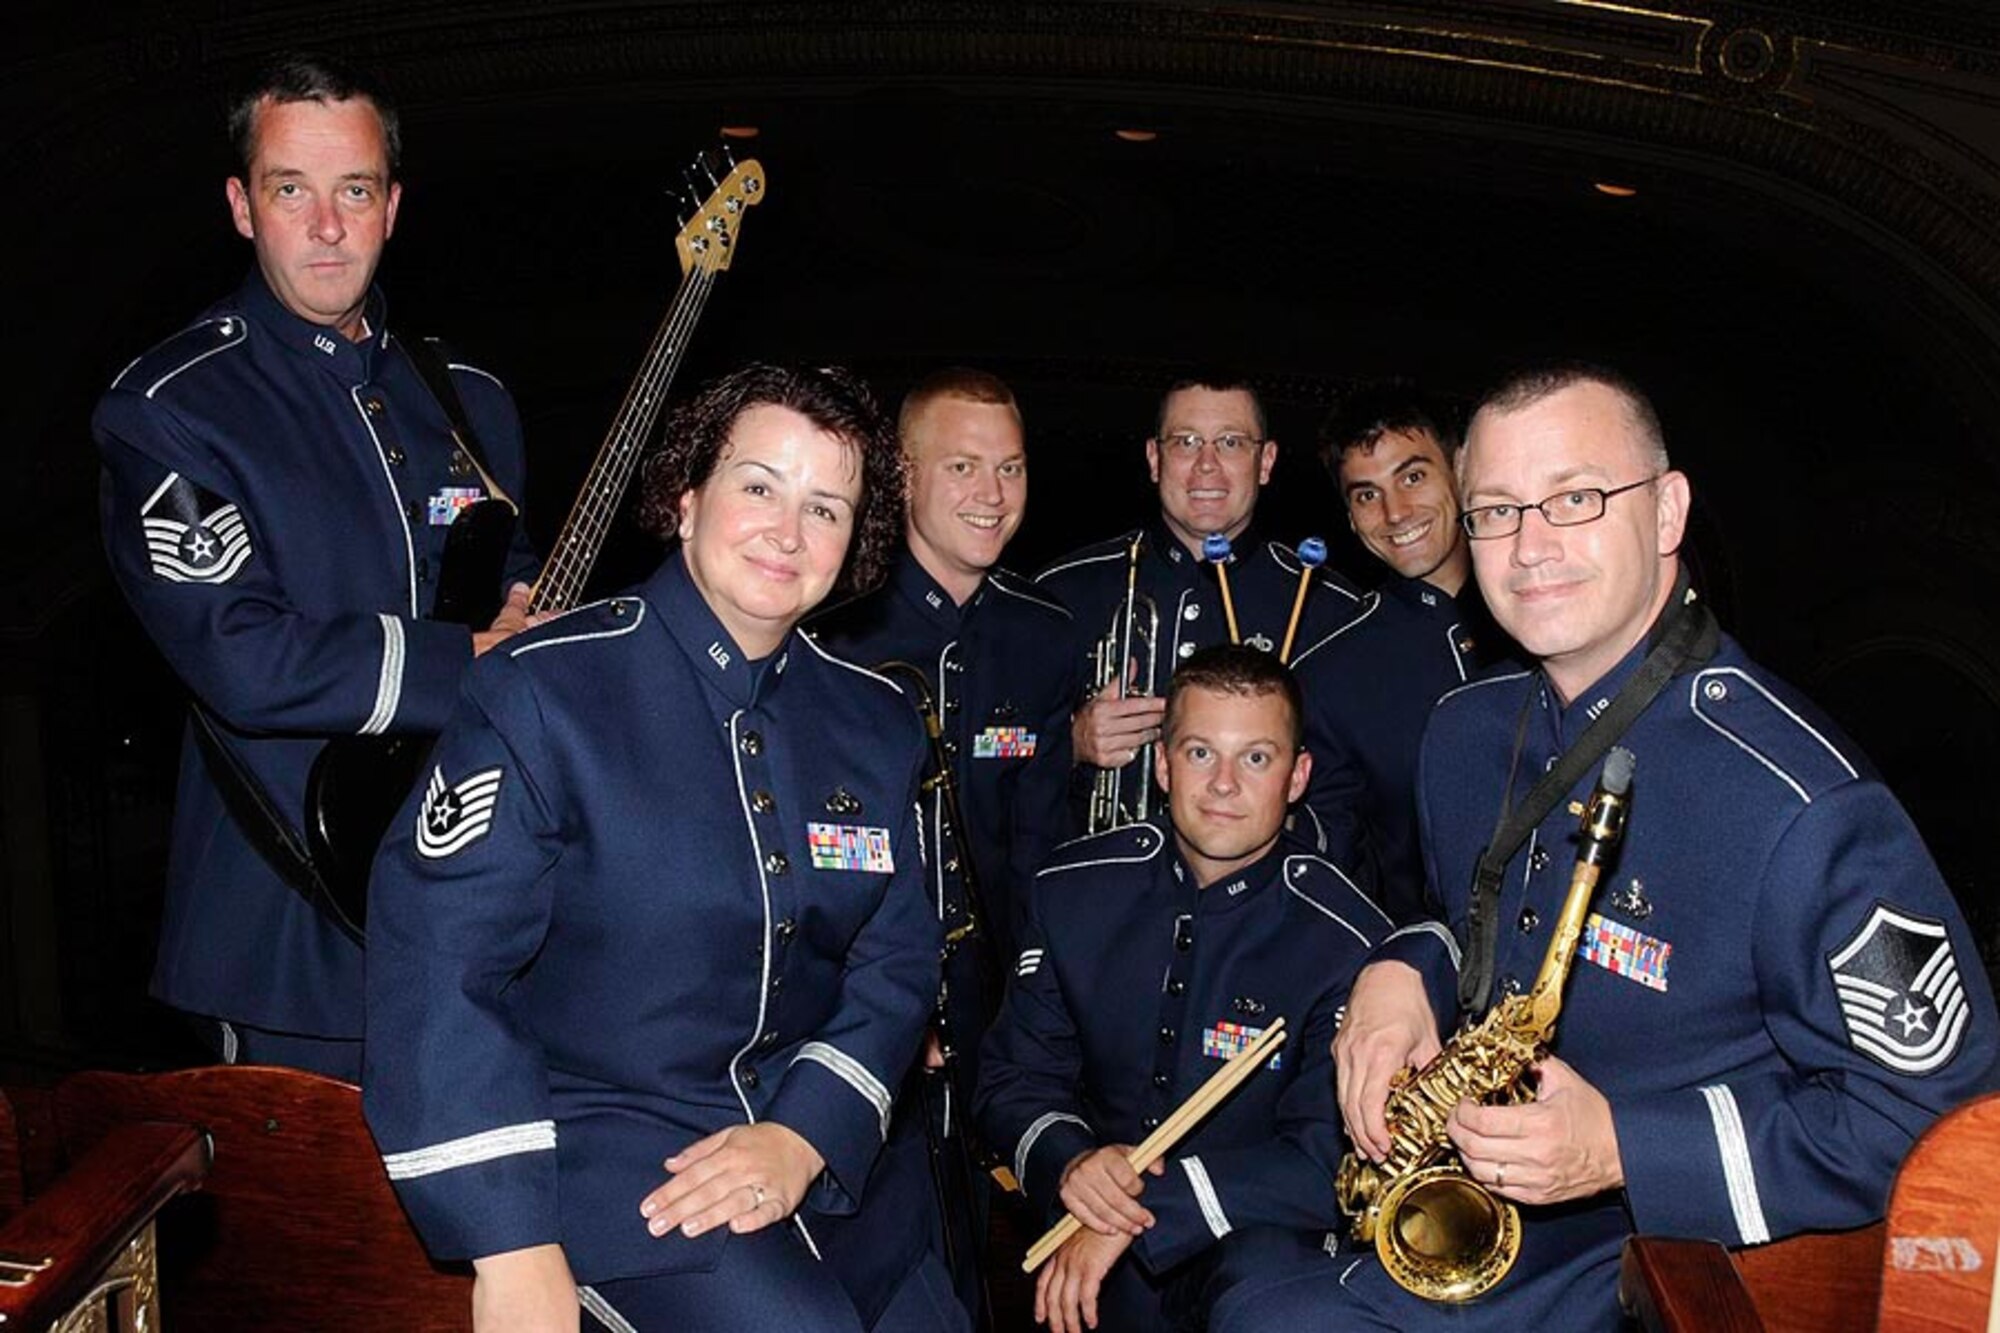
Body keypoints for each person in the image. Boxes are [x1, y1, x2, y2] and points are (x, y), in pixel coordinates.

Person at [1214, 364, 1999, 1332]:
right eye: (1497, 510)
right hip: (1485, 1195)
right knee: (1242, 1282)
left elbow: (1937, 1123)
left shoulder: (1806, 804)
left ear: (1666, 512)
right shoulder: (1463, 730)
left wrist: (1626, 1146)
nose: (1529, 546)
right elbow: (1475, 920)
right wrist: (1404, 966)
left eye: (1574, 499)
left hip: (1670, 1253)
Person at [364, 363, 942, 1333]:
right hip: (609, 1160)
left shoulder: (876, 721)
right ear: (685, 498)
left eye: (825, 508)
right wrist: (510, 1248)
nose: (786, 532)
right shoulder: (542, 693)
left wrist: (805, 1132)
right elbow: (436, 968)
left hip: (825, 1160)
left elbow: (898, 958)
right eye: (758, 485)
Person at [93, 53, 539, 1080]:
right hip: (297, 938)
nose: (327, 226)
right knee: (324, 1241)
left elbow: (513, 579)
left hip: (486, 903)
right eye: (293, 190)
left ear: (392, 205)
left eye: (355, 191)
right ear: (243, 208)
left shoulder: (470, 395)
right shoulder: (173, 407)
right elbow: (244, 661)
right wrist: (470, 659)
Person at [976, 645, 1388, 1333]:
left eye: (1256, 757)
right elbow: (1014, 1079)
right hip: (1080, 1238)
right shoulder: (1072, 888)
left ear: (1297, 776)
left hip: (1263, 1264)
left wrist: (1143, 1210)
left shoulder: (1350, 941)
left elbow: (1328, 1162)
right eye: (1200, 752)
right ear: (1163, 766)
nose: (1224, 783)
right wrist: (1071, 1161)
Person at [810, 368, 1082, 1330]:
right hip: (851, 996)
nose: (992, 493)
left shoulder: (1044, 634)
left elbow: (1046, 842)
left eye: (1009, 467)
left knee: (987, 1249)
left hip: (992, 997)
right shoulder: (830, 625)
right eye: (963, 465)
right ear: (903, 473)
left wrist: (1039, 1002)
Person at [1036, 376, 1361, 842]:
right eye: (1186, 442)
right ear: (1154, 458)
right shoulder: (1062, 593)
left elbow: (1351, 804)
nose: (1206, 466)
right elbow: (993, 773)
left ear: (1265, 461)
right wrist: (1070, 745)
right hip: (1095, 900)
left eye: (1230, 443)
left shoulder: (1331, 610)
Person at [1291, 383, 1513, 922]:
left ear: (1460, 472)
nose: (1395, 512)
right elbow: (1335, 868)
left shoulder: (1548, 610)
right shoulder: (1329, 672)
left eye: (1413, 476)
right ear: (1349, 517)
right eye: (1366, 494)